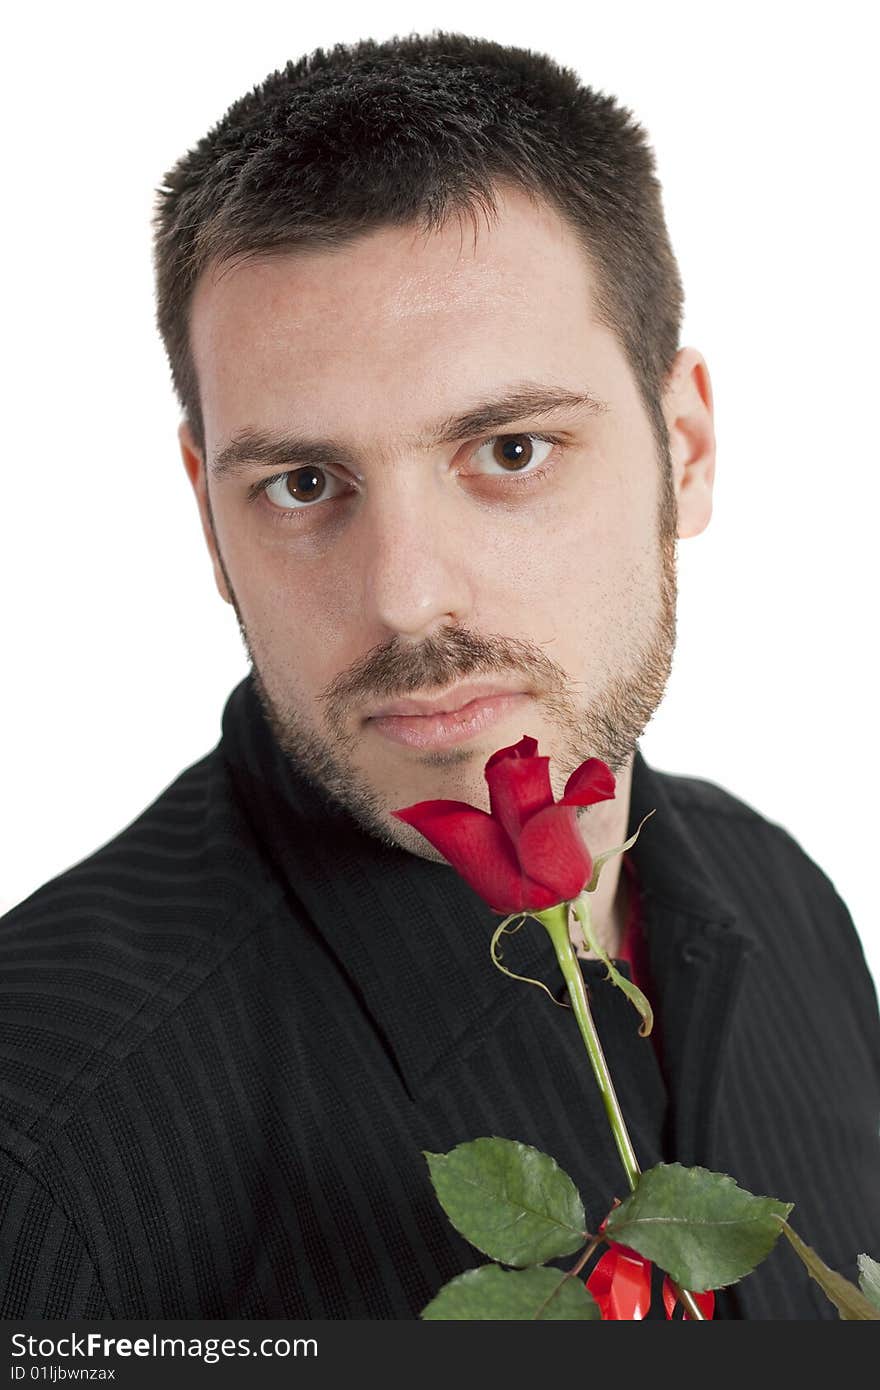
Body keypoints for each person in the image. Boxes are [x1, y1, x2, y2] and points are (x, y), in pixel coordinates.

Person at [1, 31, 877, 1322]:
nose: (405, 595)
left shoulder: (788, 902)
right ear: (208, 517)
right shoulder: (48, 1141)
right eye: (303, 484)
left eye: (510, 449)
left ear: (684, 450)